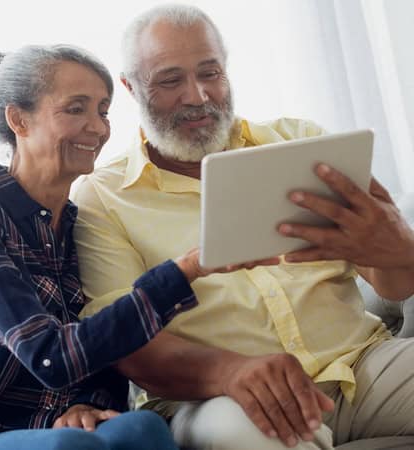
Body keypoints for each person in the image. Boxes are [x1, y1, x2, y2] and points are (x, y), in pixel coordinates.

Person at [72, 4, 414, 450]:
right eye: (171, 80)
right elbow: (121, 340)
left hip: (363, 363)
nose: (197, 96)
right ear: (131, 88)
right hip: (216, 398)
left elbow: (393, 285)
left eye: (210, 72)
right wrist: (228, 371)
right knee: (244, 432)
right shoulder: (102, 197)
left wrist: (399, 250)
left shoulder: (301, 140)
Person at [0, 44, 273, 450]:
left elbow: (103, 337)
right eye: (76, 109)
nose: (99, 129)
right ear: (19, 120)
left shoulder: (83, 222)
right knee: (72, 448)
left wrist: (88, 402)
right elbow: (48, 354)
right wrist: (185, 270)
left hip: (56, 427)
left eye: (102, 111)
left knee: (144, 429)